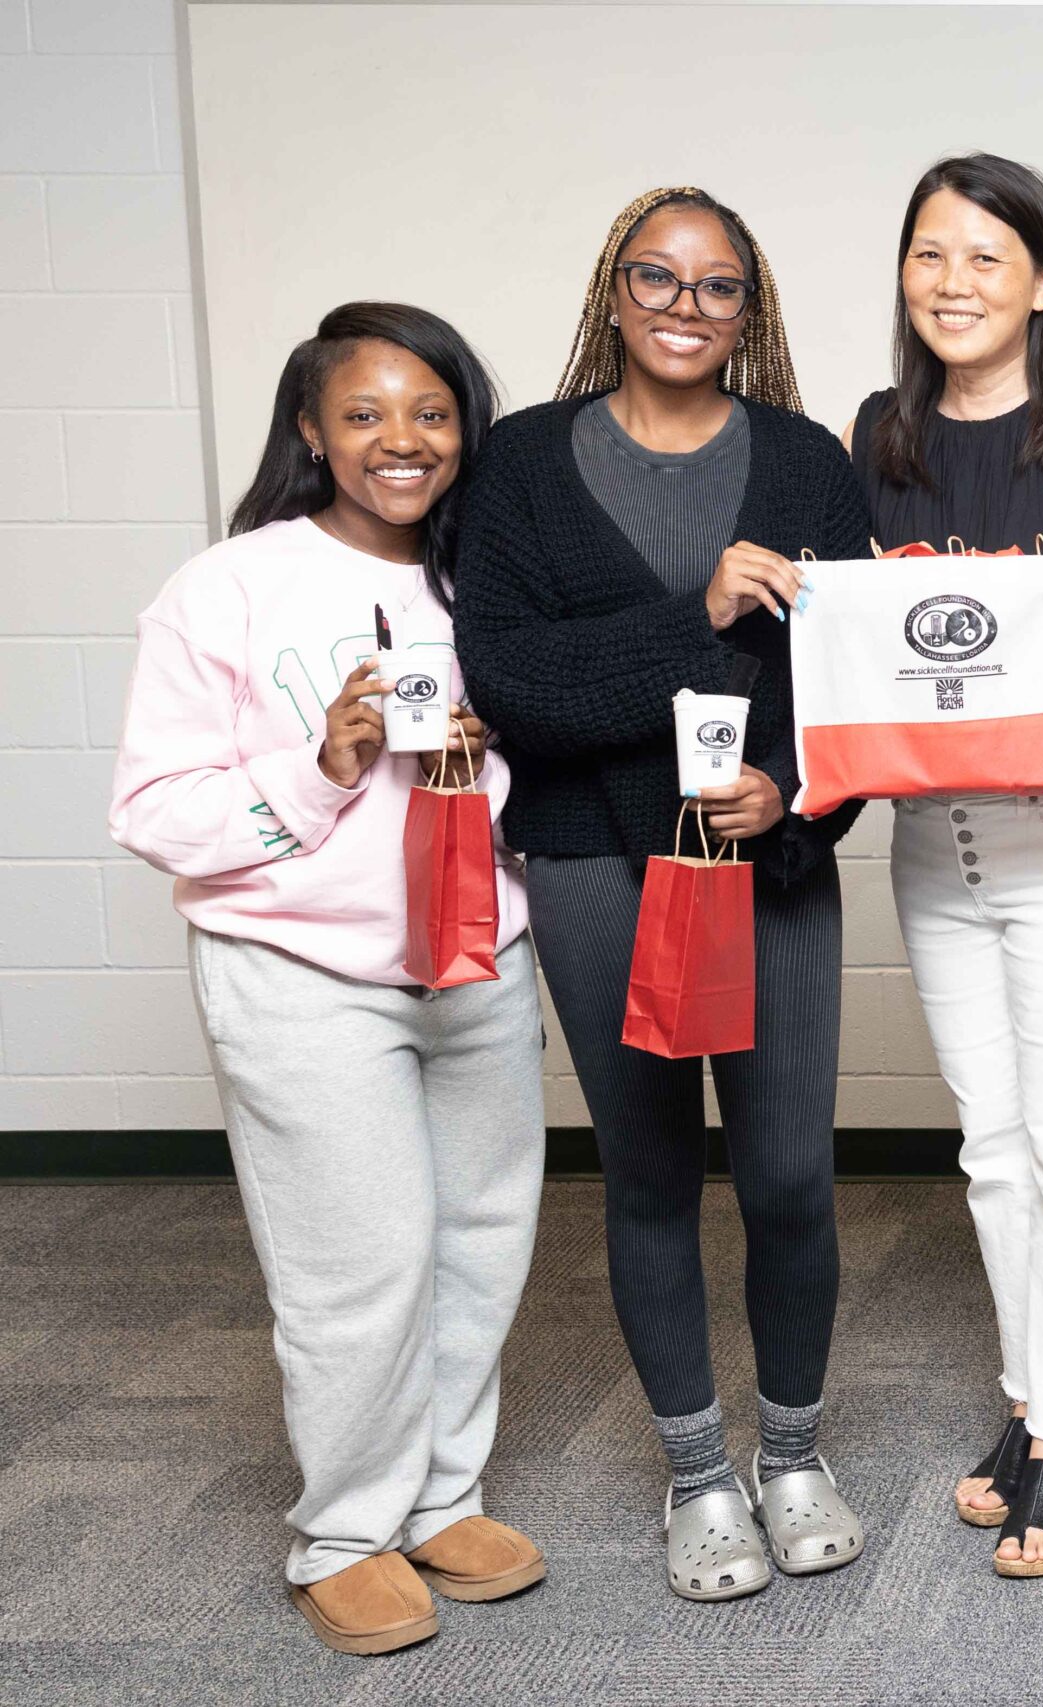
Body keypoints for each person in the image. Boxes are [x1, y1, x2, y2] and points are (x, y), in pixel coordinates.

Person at [109, 304, 545, 1655]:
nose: (400, 441)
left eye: (428, 412)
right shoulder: (227, 587)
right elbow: (154, 813)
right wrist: (327, 760)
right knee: (357, 1265)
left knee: (480, 1247)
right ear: (311, 430)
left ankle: (440, 1499)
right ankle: (345, 1531)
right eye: (363, 414)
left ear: (464, 427)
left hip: (478, 958)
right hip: (300, 968)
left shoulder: (497, 575)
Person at [452, 187, 868, 1603]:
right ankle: (701, 1477)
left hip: (771, 866)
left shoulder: (810, 467)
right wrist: (687, 619)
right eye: (659, 280)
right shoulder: (517, 465)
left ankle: (795, 1453)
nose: (686, 310)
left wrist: (798, 792)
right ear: (611, 293)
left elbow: (862, 688)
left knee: (791, 1177)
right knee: (647, 1174)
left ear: (751, 311)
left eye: (718, 288)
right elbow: (512, 683)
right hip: (597, 866)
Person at [842, 152, 1043, 1580]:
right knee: (992, 1146)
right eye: (929, 255)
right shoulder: (875, 436)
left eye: (986, 257)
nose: (953, 283)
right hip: (936, 823)